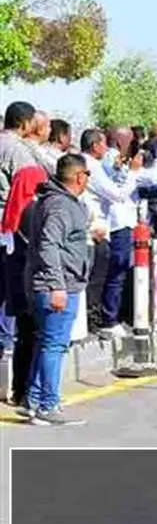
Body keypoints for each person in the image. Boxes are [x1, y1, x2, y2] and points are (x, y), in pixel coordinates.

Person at [23, 153, 92, 426]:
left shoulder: (55, 202)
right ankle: (47, 405)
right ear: (78, 176)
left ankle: (35, 400)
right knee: (54, 345)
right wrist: (57, 285)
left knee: (47, 343)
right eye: (87, 174)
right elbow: (48, 245)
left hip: (57, 282)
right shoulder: (61, 206)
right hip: (57, 285)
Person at [79, 129, 142, 338]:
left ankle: (96, 319)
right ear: (96, 145)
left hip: (100, 224)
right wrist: (133, 172)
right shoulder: (94, 165)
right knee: (102, 276)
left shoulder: (92, 163)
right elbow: (117, 195)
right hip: (100, 226)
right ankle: (102, 320)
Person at [2, 165, 48, 414]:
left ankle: (19, 390)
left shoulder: (15, 209)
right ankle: (28, 391)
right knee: (34, 338)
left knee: (24, 338)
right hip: (31, 282)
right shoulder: (33, 210)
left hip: (16, 282)